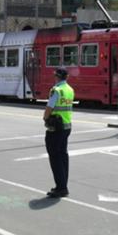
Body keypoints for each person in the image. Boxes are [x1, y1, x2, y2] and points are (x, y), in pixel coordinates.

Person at [43, 68, 74, 198]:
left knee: (54, 157)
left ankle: (61, 188)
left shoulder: (56, 90)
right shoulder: (69, 89)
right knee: (63, 156)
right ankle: (63, 185)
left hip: (56, 127)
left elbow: (49, 107)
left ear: (57, 77)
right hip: (67, 126)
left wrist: (45, 118)